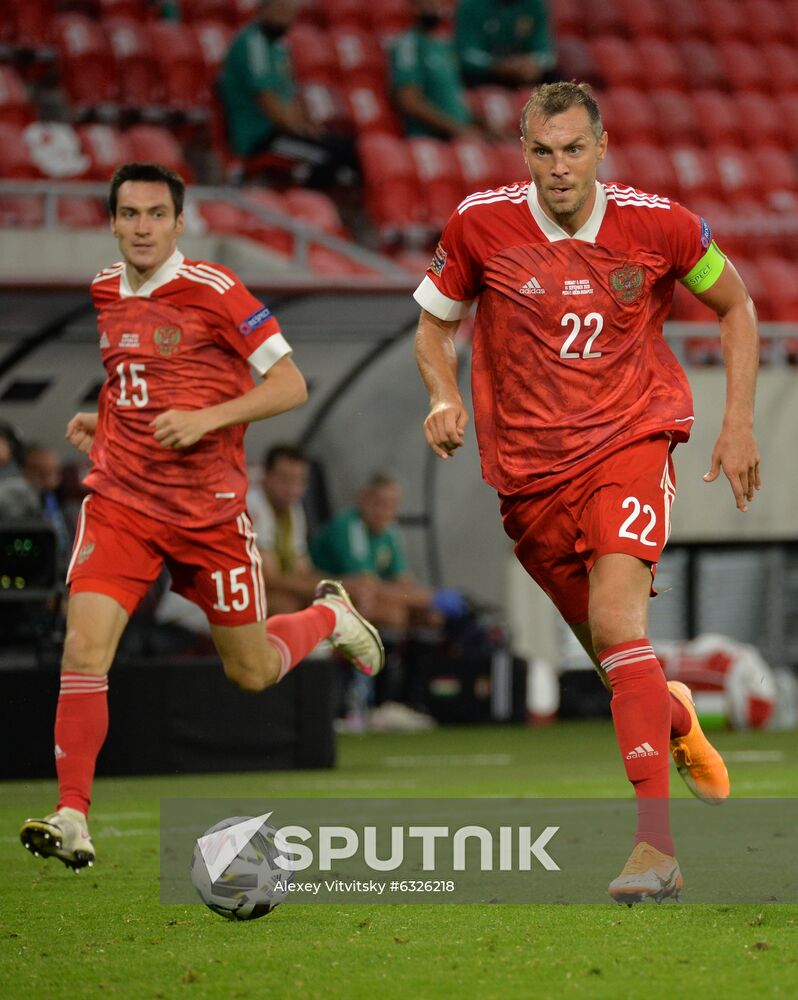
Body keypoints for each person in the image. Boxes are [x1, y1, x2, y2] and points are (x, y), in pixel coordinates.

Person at [413, 82, 760, 904]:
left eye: (574, 149)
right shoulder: (478, 224)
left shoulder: (662, 224)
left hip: (631, 440)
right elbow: (434, 323)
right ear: (523, 153)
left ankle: (656, 850)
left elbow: (737, 304)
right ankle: (676, 716)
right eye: (543, 151)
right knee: (617, 661)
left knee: (616, 624)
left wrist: (738, 423)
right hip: (529, 475)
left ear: (602, 148)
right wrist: (442, 395)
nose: (560, 166)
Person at [19, 162, 384, 873]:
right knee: (83, 649)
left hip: (207, 515)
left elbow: (290, 385)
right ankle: (72, 815)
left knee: (251, 671)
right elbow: (139, 380)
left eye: (157, 214)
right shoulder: (104, 289)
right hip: (122, 503)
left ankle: (327, 617)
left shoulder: (216, 290)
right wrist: (107, 419)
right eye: (130, 214)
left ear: (179, 223)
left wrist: (206, 419)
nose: (143, 227)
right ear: (112, 222)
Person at [219, 0, 358, 188]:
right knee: (327, 156)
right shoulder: (253, 43)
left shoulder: (278, 46)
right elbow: (266, 98)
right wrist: (299, 129)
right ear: (264, 8)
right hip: (260, 137)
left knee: (347, 148)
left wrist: (307, 127)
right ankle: (308, 203)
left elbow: (289, 93)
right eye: (282, 10)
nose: (286, 18)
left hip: (282, 131)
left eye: (291, 12)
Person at [246, 443, 322, 615]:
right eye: (285, 479)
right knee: (287, 605)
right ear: (266, 475)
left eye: (300, 481)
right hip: (215, 599)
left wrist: (342, 586)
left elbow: (303, 569)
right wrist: (331, 589)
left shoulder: (293, 508)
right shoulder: (253, 504)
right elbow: (268, 578)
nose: (293, 489)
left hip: (257, 592)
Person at [389, 0, 479, 140]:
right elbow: (409, 102)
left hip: (458, 137)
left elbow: (456, 102)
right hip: (431, 140)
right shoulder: (408, 44)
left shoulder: (444, 46)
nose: (432, 9)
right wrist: (459, 131)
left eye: (436, 4)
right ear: (414, 7)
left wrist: (487, 130)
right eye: (427, 4)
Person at [455, 0, 556, 88]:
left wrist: (533, 63)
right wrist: (497, 65)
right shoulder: (470, 4)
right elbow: (467, 54)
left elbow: (546, 53)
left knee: (554, 82)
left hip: (524, 73)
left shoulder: (536, 3)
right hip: (485, 75)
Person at [22, 444, 72, 565]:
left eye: (53, 472)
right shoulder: (18, 502)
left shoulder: (66, 505)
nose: (47, 479)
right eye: (40, 472)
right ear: (26, 472)